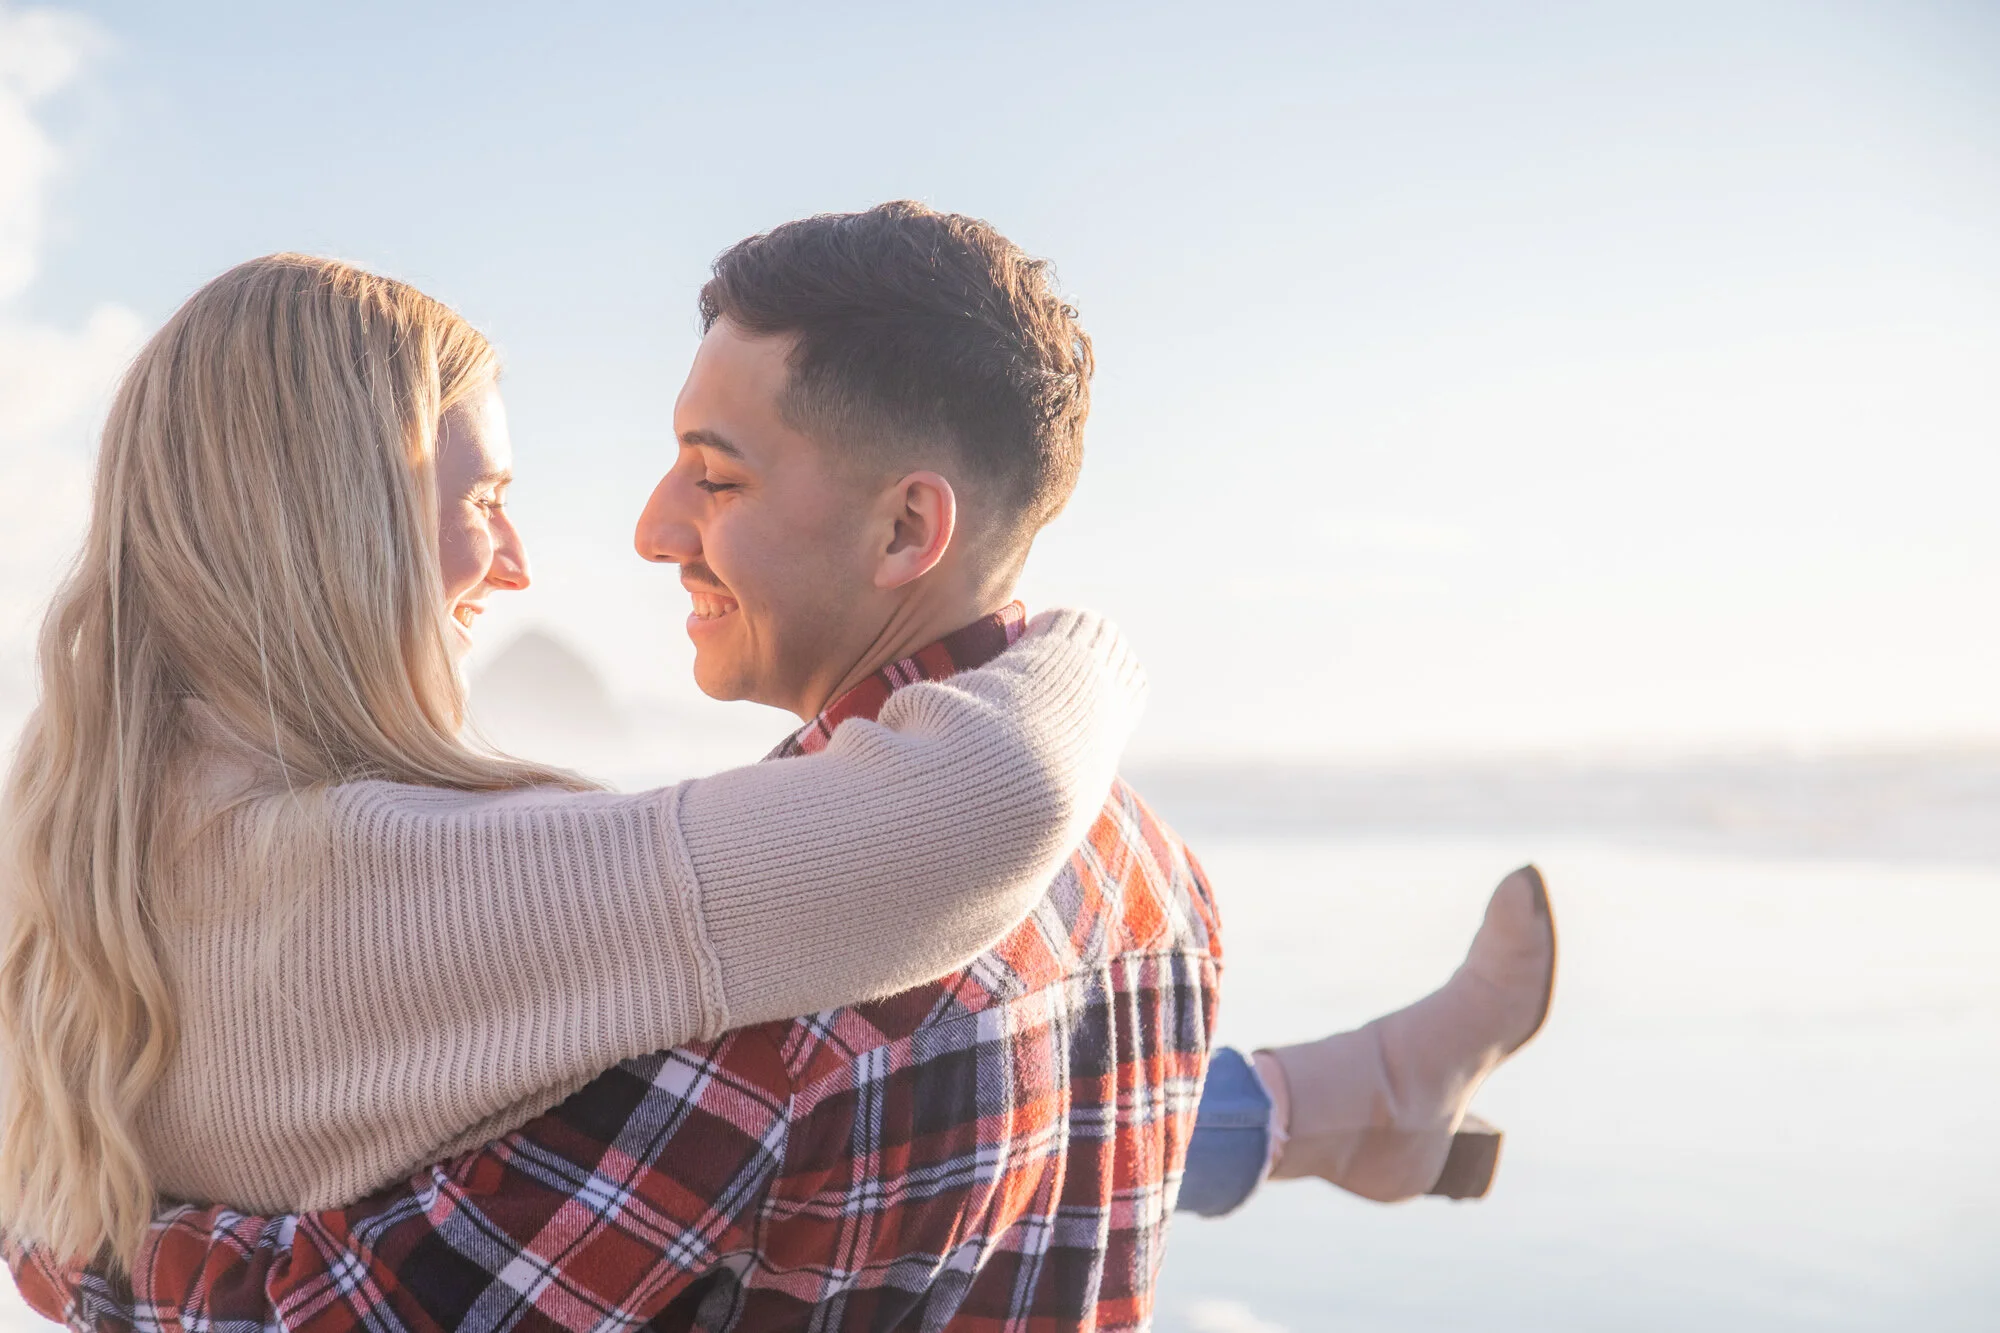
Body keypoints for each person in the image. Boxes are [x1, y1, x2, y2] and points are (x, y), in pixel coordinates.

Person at [6, 213, 1554, 1330]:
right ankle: (1357, 1101)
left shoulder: (750, 983)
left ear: (904, 530)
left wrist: (93, 1255)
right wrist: (1083, 649)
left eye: (715, 475)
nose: (634, 536)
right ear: (326, 530)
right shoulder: (1144, 867)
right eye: (489, 501)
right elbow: (1103, 1160)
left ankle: (1364, 1102)